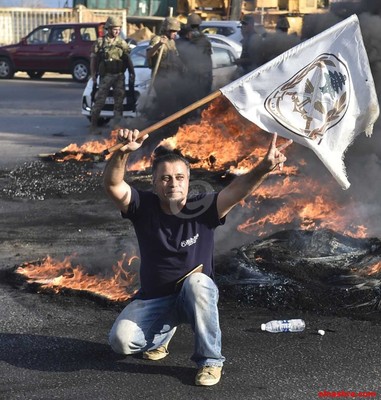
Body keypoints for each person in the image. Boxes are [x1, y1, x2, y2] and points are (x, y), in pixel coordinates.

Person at [103, 127, 292, 386]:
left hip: (195, 296)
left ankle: (211, 361)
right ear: (155, 183)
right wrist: (122, 154)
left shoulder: (202, 208)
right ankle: (164, 332)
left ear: (188, 181)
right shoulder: (142, 206)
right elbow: (113, 184)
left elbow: (238, 190)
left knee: (198, 282)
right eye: (166, 178)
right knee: (120, 342)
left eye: (179, 177)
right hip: (155, 299)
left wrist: (263, 167)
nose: (173, 183)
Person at [89, 16, 135, 134]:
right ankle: (93, 126)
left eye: (119, 29)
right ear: (108, 29)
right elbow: (94, 59)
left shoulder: (122, 43)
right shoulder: (100, 42)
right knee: (100, 101)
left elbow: (127, 58)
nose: (117, 31)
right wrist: (93, 74)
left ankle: (116, 128)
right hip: (106, 76)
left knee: (119, 102)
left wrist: (131, 72)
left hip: (119, 75)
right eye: (114, 29)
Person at [146, 17, 185, 119]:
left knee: (173, 102)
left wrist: (182, 66)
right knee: (166, 101)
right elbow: (149, 54)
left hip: (171, 77)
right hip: (160, 77)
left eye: (176, 32)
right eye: (173, 31)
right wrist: (159, 44)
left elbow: (176, 57)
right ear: (167, 30)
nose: (175, 34)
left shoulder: (172, 42)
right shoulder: (157, 39)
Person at [176, 13, 213, 106]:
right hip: (203, 76)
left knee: (190, 103)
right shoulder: (205, 40)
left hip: (192, 77)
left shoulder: (183, 40)